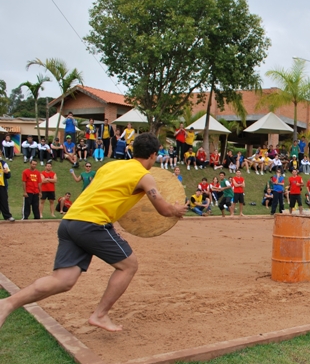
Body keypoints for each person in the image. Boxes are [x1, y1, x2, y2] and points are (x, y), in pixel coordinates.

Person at [0, 133, 187, 332]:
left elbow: (104, 193)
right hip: (92, 223)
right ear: (153, 154)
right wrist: (176, 210)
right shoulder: (144, 176)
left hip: (70, 221)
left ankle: (7, 303)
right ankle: (100, 315)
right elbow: (164, 210)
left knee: (63, 280)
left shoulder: (110, 166)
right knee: (128, 265)